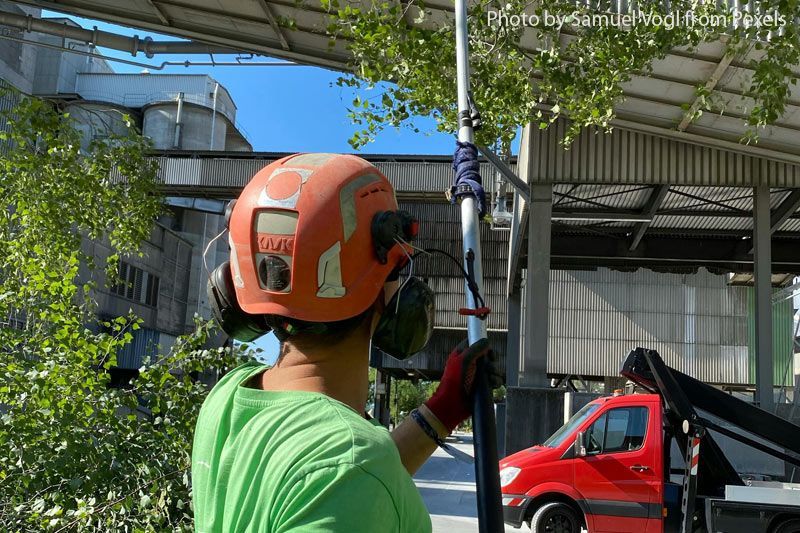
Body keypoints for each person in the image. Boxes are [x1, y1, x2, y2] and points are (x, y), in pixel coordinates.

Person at [193, 153, 499, 532]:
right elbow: (346, 480)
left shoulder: (228, 397)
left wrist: (444, 409)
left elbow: (354, 484)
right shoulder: (348, 467)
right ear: (387, 293)